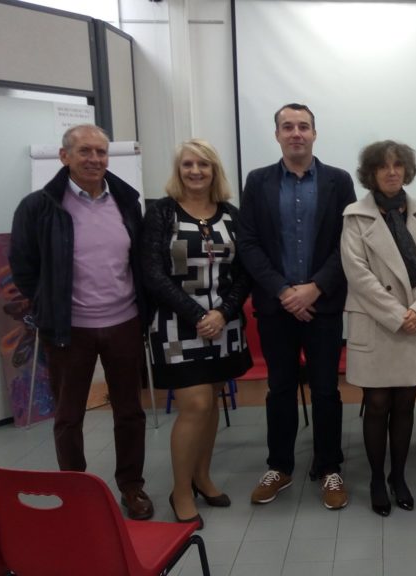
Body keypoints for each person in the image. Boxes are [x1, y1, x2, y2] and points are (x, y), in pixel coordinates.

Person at [9, 124, 153, 520]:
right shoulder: (39, 206)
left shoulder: (126, 200)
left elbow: (136, 260)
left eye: (101, 153)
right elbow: (23, 267)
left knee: (129, 412)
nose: (94, 160)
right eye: (85, 151)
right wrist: (49, 304)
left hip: (124, 321)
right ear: (64, 156)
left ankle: (132, 486)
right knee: (69, 415)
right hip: (69, 329)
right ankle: (76, 489)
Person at [236, 103, 356, 510]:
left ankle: (330, 467)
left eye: (303, 126)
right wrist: (285, 292)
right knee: (280, 389)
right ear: (277, 135)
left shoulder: (339, 181)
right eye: (287, 127)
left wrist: (315, 288)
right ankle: (280, 466)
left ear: (315, 134)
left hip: (323, 307)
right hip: (275, 307)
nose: (296, 133)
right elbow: (248, 243)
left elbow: (349, 243)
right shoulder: (258, 181)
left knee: (325, 390)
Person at [141, 139, 253, 528]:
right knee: (196, 406)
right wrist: (197, 315)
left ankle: (203, 478)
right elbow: (152, 273)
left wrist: (222, 313)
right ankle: (180, 490)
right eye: (188, 164)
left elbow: (244, 273)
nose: (195, 171)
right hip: (176, 325)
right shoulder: (160, 213)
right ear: (179, 170)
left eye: (203, 165)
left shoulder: (232, 215)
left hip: (224, 324)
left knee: (212, 404)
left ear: (214, 171)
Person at [341, 140, 416, 516]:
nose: (391, 172)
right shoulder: (355, 216)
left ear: (406, 171)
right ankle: (375, 477)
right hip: (377, 321)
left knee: (405, 403)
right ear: (370, 173)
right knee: (377, 403)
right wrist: (398, 313)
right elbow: (358, 274)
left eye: (397, 166)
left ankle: (398, 476)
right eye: (383, 167)